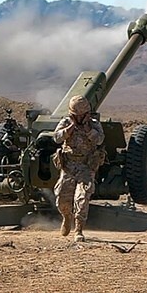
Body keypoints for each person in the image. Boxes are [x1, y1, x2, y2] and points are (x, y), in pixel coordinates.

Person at [52, 95, 105, 242]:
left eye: (82, 115)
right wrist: (70, 128)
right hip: (69, 166)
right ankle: (66, 217)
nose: (80, 117)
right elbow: (56, 138)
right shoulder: (66, 123)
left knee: (82, 197)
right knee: (62, 197)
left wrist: (88, 129)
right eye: (77, 115)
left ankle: (78, 230)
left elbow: (100, 140)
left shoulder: (94, 125)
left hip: (86, 166)